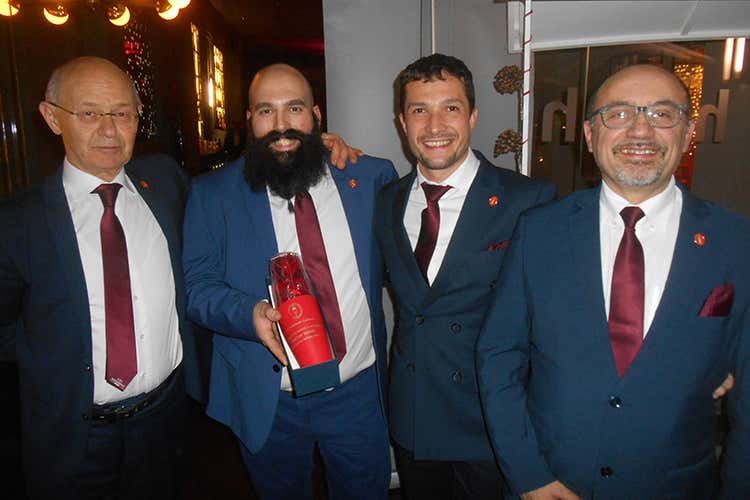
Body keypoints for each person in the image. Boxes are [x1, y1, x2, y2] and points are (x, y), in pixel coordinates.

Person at [477, 64, 749, 499]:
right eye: (618, 113)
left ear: (688, 131)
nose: (641, 130)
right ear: (589, 135)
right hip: (551, 481)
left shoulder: (736, 242)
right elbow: (498, 356)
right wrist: (528, 474)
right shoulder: (539, 231)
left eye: (662, 114)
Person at [182, 63, 397, 499]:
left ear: (316, 116)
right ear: (250, 120)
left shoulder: (371, 178)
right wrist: (249, 314)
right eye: (266, 111)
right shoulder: (213, 194)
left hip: (357, 394)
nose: (281, 125)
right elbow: (196, 287)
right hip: (268, 397)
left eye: (294, 108)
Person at [0, 56, 202, 499]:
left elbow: (233, 197)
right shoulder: (16, 223)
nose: (109, 130)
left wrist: (309, 149)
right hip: (75, 438)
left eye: (122, 114)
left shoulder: (165, 182)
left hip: (166, 422)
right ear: (52, 117)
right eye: (89, 113)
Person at [374, 53, 555, 500]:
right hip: (414, 415)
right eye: (420, 110)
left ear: (473, 115)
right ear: (402, 122)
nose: (435, 125)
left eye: (450, 108)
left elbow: (558, 319)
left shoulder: (527, 199)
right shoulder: (385, 201)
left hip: (490, 422)